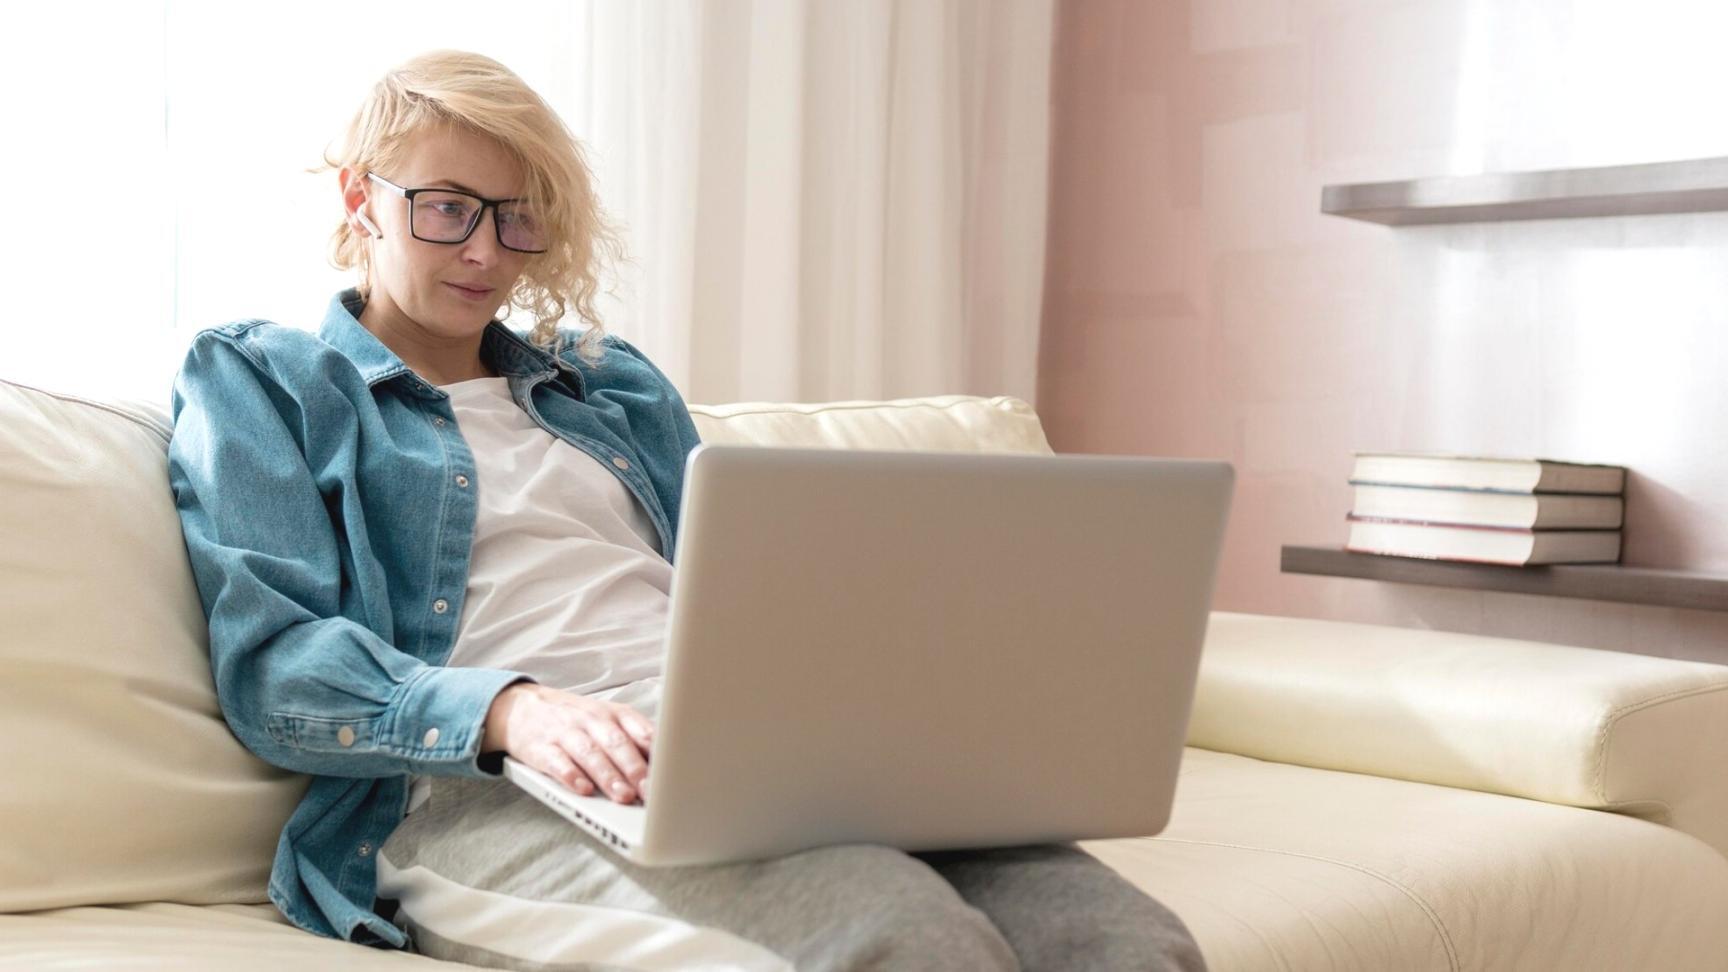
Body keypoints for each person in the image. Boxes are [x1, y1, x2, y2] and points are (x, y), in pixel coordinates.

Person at [167, 49, 1206, 971]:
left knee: (1121, 942)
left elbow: (755, 590)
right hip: (481, 787)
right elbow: (274, 668)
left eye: (518, 216)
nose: (486, 253)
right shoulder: (267, 380)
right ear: (361, 197)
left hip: (752, 752)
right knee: (899, 936)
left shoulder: (607, 386)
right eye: (447, 208)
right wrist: (509, 709)